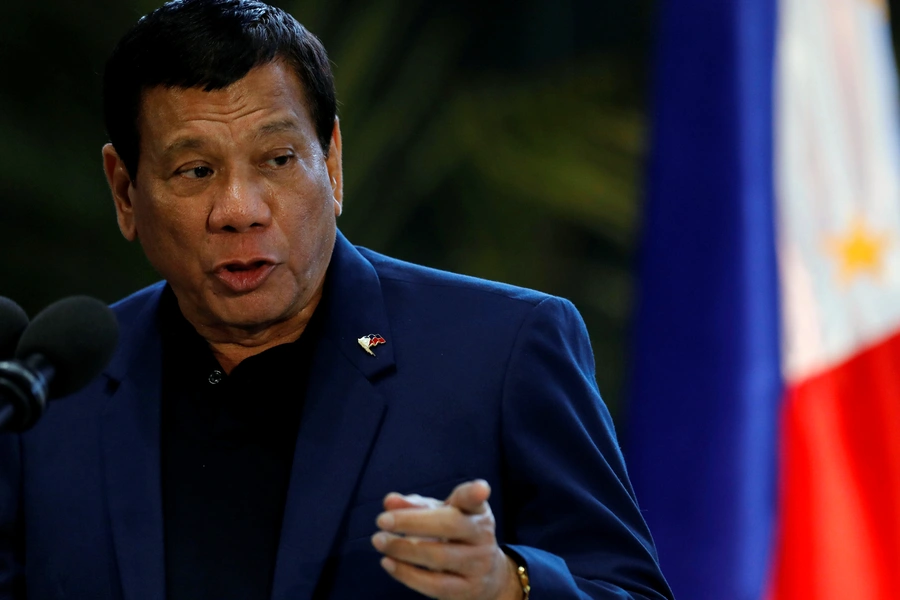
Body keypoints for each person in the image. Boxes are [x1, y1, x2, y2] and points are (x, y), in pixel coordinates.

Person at [0, 1, 673, 598]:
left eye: (279, 160)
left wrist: (508, 586)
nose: (240, 210)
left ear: (334, 162)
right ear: (125, 191)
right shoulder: (50, 397)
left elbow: (628, 589)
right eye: (196, 170)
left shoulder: (503, 350)